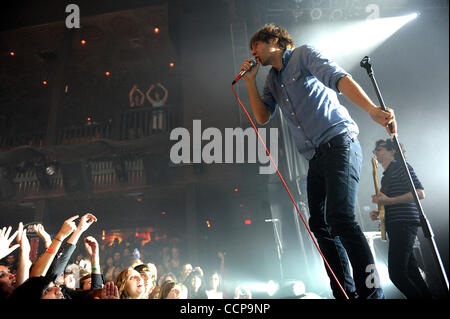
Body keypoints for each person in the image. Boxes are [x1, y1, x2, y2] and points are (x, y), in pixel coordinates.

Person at [240, 24, 397, 299]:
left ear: (274, 40)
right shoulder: (272, 80)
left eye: (256, 45)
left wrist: (371, 108)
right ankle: (344, 293)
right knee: (320, 225)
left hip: (339, 142)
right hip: (315, 157)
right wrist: (250, 81)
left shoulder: (303, 54)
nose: (252, 52)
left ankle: (372, 293)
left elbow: (339, 78)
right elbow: (262, 117)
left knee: (341, 218)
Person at [370, 139, 433, 299]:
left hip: (403, 224)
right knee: (412, 272)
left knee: (397, 274)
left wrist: (389, 201)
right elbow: (392, 201)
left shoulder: (402, 167)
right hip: (395, 225)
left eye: (380, 149)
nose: (376, 152)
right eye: (375, 150)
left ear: (393, 151)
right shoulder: (386, 176)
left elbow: (420, 193)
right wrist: (379, 212)